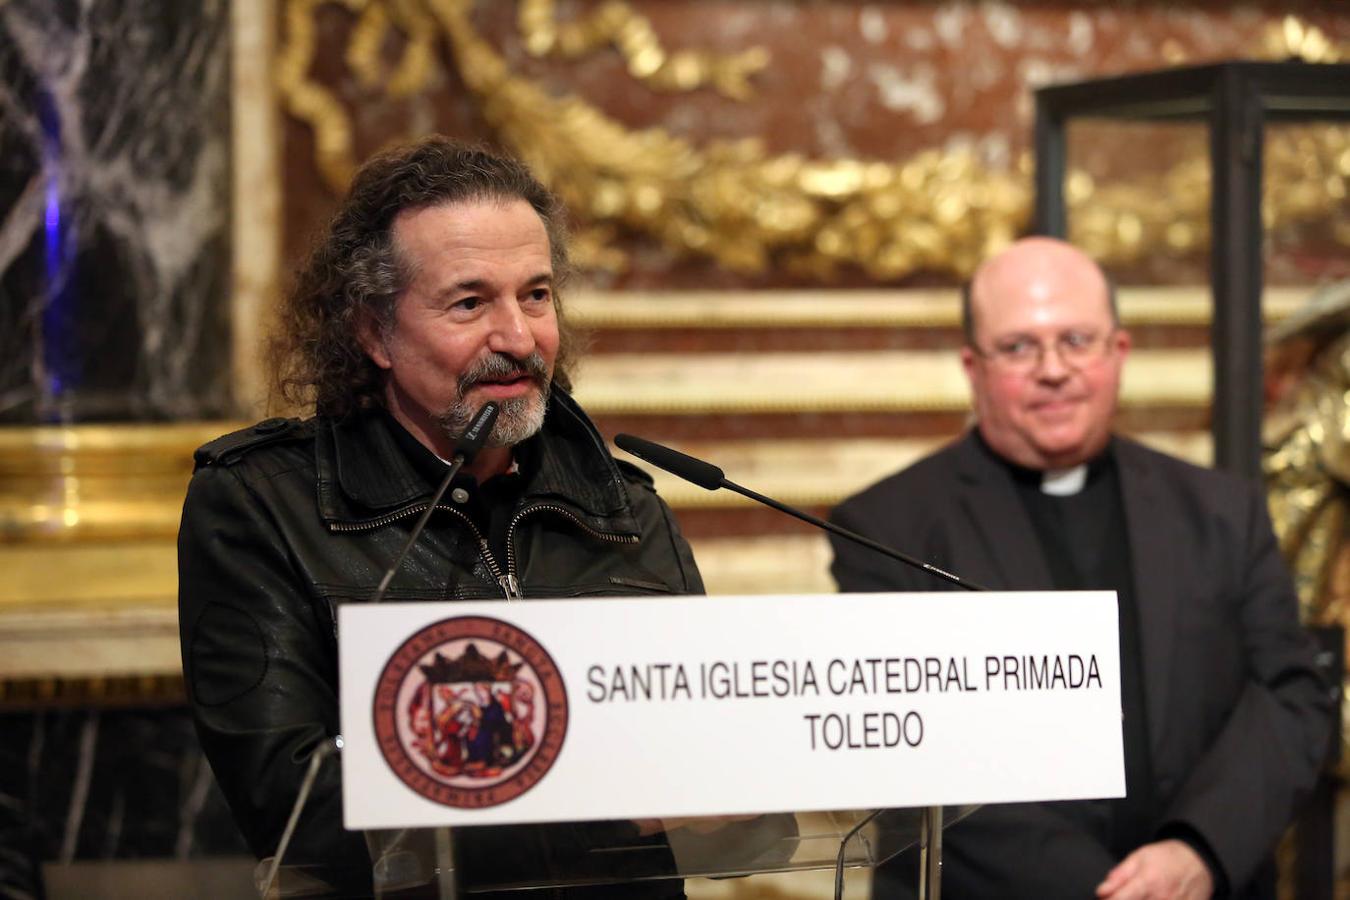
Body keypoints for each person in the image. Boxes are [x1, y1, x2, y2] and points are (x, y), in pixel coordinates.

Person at [177, 137, 703, 896]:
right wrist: (612, 813)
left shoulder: (625, 510)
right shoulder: (263, 505)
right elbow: (299, 809)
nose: (519, 339)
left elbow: (712, 774)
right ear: (373, 331)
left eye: (537, 294)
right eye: (469, 302)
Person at [829, 237, 1332, 900]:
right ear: (973, 367)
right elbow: (909, 750)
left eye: (1076, 340)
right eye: (1018, 347)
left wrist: (1199, 849)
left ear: (1117, 353)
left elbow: (1289, 698)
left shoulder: (1220, 510)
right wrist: (1111, 891)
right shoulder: (887, 527)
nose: (1053, 369)